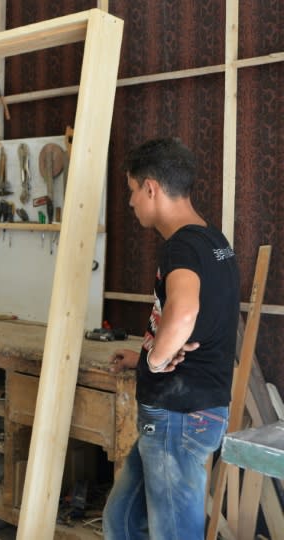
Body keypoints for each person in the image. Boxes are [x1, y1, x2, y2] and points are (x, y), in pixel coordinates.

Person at [102, 138, 240, 539]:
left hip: (178, 418)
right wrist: (143, 357)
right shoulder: (214, 242)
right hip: (188, 412)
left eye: (131, 191)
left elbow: (183, 313)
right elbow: (196, 320)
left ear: (151, 188)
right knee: (122, 520)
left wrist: (157, 361)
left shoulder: (180, 247)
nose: (130, 203)